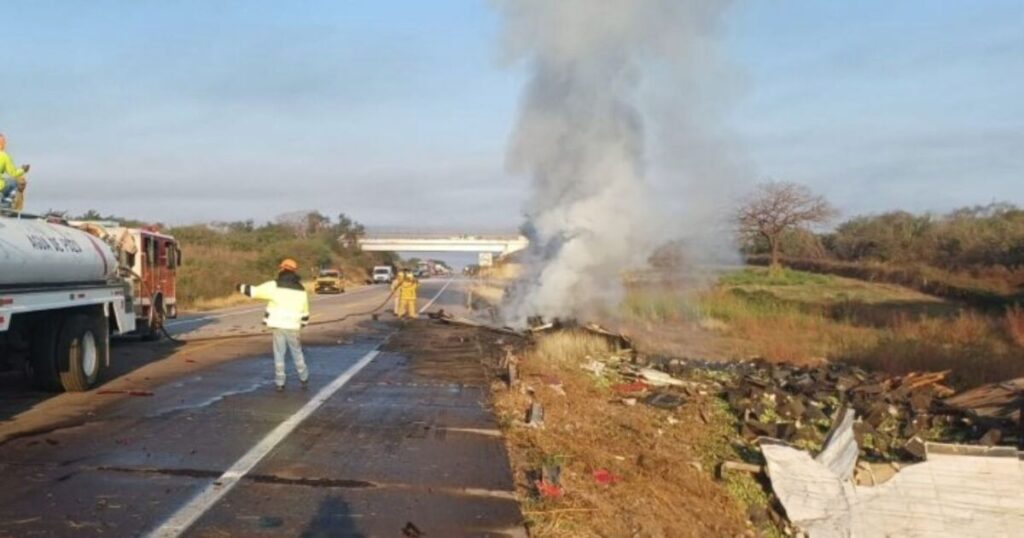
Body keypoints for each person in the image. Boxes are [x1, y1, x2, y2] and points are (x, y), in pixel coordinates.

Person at [237, 258, 310, 392]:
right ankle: (304, 377)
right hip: (293, 327)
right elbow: (305, 312)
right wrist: (302, 324)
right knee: (297, 353)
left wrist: (239, 286)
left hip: (277, 325)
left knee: (279, 354)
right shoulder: (301, 289)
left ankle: (280, 383)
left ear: (282, 269)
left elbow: (254, 291)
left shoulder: (274, 285)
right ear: (294, 271)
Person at [0, 134, 29, 208]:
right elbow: (13, 173)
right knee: (16, 182)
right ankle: (7, 202)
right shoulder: (4, 156)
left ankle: (4, 200)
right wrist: (23, 170)